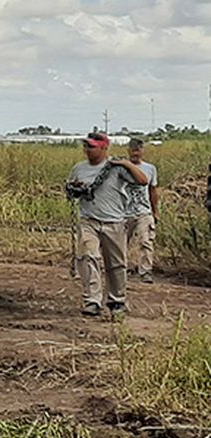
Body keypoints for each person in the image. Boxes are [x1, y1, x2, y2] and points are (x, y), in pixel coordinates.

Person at [65, 132, 148, 318]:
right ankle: (92, 301)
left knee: (116, 264)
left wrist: (126, 164)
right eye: (86, 146)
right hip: (89, 220)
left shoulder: (116, 168)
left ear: (104, 147)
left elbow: (143, 181)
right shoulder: (79, 168)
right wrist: (74, 188)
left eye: (91, 146)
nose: (87, 150)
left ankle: (116, 301)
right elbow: (71, 188)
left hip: (114, 221)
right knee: (88, 256)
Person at [123, 138, 159, 285]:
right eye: (132, 150)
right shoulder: (120, 167)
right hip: (123, 211)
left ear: (142, 151)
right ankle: (120, 270)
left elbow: (153, 191)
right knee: (120, 243)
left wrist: (155, 211)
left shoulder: (150, 169)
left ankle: (145, 271)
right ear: (128, 151)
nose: (135, 153)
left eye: (138, 150)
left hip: (144, 211)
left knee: (146, 241)